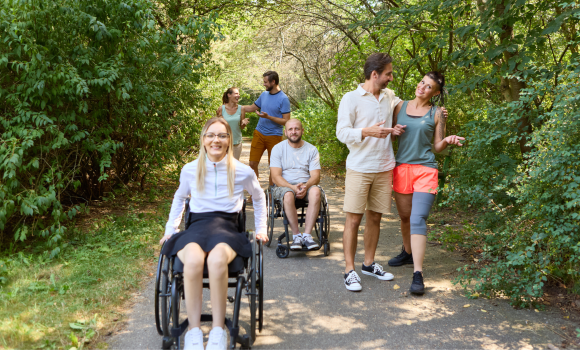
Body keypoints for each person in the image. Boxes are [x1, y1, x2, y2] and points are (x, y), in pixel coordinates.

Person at [159, 117, 268, 350]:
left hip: (228, 227)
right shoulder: (190, 169)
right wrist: (171, 230)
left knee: (218, 260)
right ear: (203, 139)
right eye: (211, 135)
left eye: (221, 135)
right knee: (193, 260)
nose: (215, 140)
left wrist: (261, 229)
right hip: (197, 226)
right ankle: (194, 332)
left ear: (229, 140)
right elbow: (179, 198)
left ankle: (218, 331)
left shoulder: (243, 171)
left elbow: (259, 198)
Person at [387, 72, 464, 295]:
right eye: (421, 82)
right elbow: (390, 136)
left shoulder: (437, 112)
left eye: (428, 86)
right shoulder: (398, 106)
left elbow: (438, 146)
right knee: (404, 217)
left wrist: (448, 140)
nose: (422, 87)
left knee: (417, 218)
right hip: (401, 168)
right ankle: (407, 253)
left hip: (426, 169)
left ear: (436, 93)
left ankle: (418, 274)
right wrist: (394, 132)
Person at [335, 53, 406, 292]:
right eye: (388, 74)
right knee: (354, 219)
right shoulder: (351, 98)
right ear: (374, 74)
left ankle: (368, 264)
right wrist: (365, 132)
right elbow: (342, 133)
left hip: (385, 166)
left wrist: (436, 113)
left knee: (375, 217)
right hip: (359, 167)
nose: (391, 78)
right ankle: (349, 270)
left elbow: (409, 109)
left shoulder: (389, 96)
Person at [270, 119, 321, 250]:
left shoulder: (312, 149)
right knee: (287, 194)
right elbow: (275, 177)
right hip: (285, 185)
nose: (294, 132)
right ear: (285, 132)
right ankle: (296, 236)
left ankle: (307, 236)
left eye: (297, 129)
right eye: (290, 129)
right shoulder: (278, 149)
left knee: (316, 192)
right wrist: (292, 187)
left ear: (302, 131)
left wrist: (306, 186)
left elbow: (315, 176)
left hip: (306, 184)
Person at [244, 71, 291, 186]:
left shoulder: (283, 99)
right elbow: (251, 108)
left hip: (274, 136)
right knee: (252, 164)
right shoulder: (264, 95)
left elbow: (286, 121)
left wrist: (268, 117)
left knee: (273, 167)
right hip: (259, 133)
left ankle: (271, 193)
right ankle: (254, 192)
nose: (264, 84)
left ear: (273, 82)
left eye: (265, 82)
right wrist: (232, 106)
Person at [215, 87, 250, 160]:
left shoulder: (241, 109)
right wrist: (218, 118)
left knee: (235, 166)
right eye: (236, 93)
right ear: (229, 95)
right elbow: (217, 126)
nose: (238, 95)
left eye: (239, 94)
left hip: (236, 142)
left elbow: (242, 127)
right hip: (224, 142)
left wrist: (244, 123)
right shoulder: (221, 108)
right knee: (223, 165)